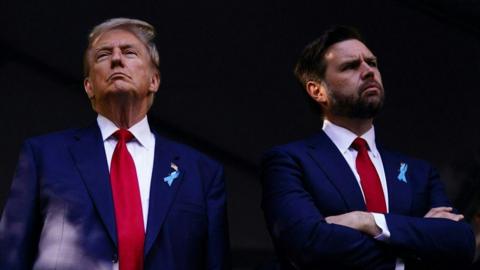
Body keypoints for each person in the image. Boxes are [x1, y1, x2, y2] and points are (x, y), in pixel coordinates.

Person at [0, 18, 229, 270]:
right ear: (88, 86)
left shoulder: (203, 172)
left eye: (129, 52)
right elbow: (10, 256)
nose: (117, 59)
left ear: (154, 80)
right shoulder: (43, 156)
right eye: (103, 55)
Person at [261, 26, 475, 269]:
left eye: (372, 63)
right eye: (350, 66)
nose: (368, 72)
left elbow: (461, 243)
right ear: (317, 90)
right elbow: (307, 245)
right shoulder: (288, 162)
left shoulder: (419, 173)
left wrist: (366, 221)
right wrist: (415, 245)